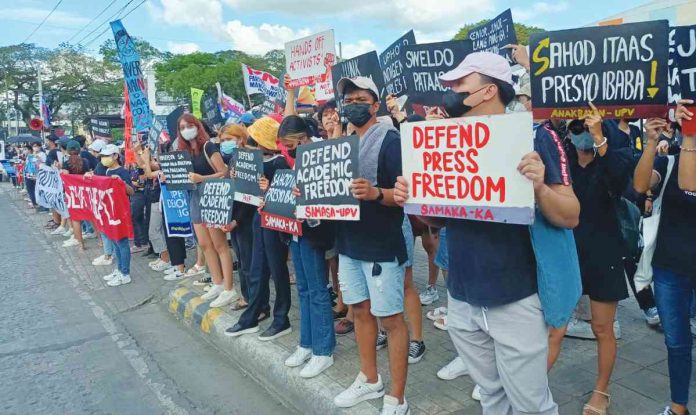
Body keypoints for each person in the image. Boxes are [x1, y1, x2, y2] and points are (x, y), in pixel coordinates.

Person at [394, 52, 580, 415]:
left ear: (487, 91)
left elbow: (571, 215)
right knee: (491, 396)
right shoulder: (445, 140)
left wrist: (539, 188)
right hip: (462, 296)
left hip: (515, 296)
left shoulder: (533, 136)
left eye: (460, 84)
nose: (449, 91)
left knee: (530, 404)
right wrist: (414, 198)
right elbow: (441, 221)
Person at [323, 76, 409, 415]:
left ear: (375, 105)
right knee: (359, 311)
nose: (353, 104)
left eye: (360, 99)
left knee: (390, 318)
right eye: (348, 99)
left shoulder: (390, 141)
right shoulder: (340, 145)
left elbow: (405, 194)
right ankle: (370, 378)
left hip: (381, 245)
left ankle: (397, 397)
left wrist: (376, 193)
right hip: (348, 243)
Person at [564, 108, 633, 414]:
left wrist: (600, 139)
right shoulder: (561, 160)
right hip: (567, 252)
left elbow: (621, 183)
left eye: (589, 126)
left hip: (603, 251)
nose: (582, 131)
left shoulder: (611, 157)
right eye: (577, 126)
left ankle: (601, 391)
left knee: (602, 328)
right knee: (553, 325)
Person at [634, 104, 696, 415]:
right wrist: (649, 142)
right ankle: (678, 407)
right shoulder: (668, 162)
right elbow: (641, 185)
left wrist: (689, 138)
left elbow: (690, 183)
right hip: (670, 268)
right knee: (677, 343)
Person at [275, 115, 337, 378]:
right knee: (303, 289)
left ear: (301, 138)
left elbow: (331, 194)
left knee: (318, 290)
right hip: (296, 231)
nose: (288, 149)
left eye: (290, 143)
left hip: (314, 232)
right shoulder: (299, 156)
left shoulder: (323, 153)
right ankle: (307, 343)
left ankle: (324, 350)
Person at [225, 116, 292, 341]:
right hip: (258, 219)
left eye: (254, 138)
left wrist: (270, 187)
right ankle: (252, 315)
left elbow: (285, 195)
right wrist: (236, 178)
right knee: (256, 269)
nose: (250, 142)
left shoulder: (279, 162)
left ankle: (281, 318)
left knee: (276, 269)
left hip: (274, 222)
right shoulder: (253, 161)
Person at [174, 114, 236, 307]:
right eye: (182, 127)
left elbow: (224, 172)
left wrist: (202, 178)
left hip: (212, 195)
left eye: (189, 125)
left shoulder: (208, 146)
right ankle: (217, 282)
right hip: (195, 197)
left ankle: (229, 288)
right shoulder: (184, 151)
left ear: (197, 126)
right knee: (204, 243)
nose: (186, 130)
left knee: (219, 245)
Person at [218, 123, 255, 310]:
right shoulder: (233, 160)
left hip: (246, 220)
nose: (224, 144)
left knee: (249, 262)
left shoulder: (249, 158)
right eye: (222, 141)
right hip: (235, 221)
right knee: (241, 261)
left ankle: (254, 301)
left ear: (240, 139)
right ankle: (246, 296)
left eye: (228, 140)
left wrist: (236, 221)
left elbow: (249, 198)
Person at [95, 144, 135, 287]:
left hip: (121, 212)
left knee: (122, 243)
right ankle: (119, 269)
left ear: (116, 156)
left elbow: (131, 191)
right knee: (114, 241)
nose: (104, 159)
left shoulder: (123, 172)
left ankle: (125, 273)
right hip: (110, 211)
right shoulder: (106, 171)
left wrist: (122, 182)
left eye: (107, 156)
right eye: (103, 156)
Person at [60, 140, 91, 250]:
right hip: (85, 192)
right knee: (91, 217)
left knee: (76, 219)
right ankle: (101, 241)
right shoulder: (85, 161)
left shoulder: (66, 163)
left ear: (68, 151)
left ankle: (81, 244)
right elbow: (88, 175)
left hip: (72, 193)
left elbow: (65, 178)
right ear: (79, 149)